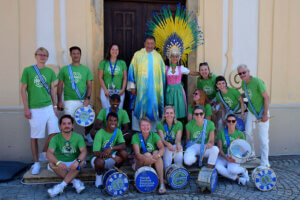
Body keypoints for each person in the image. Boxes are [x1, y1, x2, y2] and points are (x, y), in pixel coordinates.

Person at [20, 47, 60, 175]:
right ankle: (36, 163)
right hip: (34, 108)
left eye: (45, 55)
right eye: (40, 54)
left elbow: (52, 90)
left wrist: (55, 107)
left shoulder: (50, 71)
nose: (42, 57)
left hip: (48, 106)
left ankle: (45, 154)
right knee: (34, 136)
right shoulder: (28, 70)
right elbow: (23, 90)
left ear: (47, 57)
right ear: (35, 56)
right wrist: (26, 108)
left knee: (55, 131)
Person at [127, 35, 165, 131]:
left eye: (152, 43)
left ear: (155, 44)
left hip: (154, 91)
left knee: (153, 107)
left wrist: (162, 89)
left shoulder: (158, 57)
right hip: (140, 90)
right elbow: (131, 70)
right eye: (148, 43)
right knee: (140, 107)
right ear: (144, 44)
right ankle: (138, 130)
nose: (150, 45)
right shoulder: (138, 55)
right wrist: (132, 86)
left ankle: (153, 130)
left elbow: (162, 74)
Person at [57, 46, 93, 142]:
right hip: (69, 100)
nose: (76, 55)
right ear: (70, 55)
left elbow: (89, 85)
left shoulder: (86, 69)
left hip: (83, 100)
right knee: (68, 123)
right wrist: (59, 100)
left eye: (77, 53)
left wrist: (88, 98)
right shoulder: (65, 69)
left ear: (80, 55)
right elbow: (60, 86)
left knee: (91, 118)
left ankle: (86, 134)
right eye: (74, 53)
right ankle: (70, 142)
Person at [237, 64, 270, 167]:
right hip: (251, 112)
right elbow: (248, 94)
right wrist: (241, 96)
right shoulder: (243, 84)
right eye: (240, 73)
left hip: (261, 112)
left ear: (248, 71)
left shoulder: (257, 82)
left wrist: (265, 114)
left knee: (263, 139)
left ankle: (265, 162)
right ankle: (251, 154)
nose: (242, 75)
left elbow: (266, 97)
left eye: (244, 72)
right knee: (248, 133)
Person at [46, 115, 87, 197]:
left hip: (74, 164)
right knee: (51, 164)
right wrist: (58, 163)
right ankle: (75, 182)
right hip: (60, 165)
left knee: (82, 162)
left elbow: (84, 151)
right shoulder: (55, 138)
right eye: (64, 124)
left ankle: (60, 186)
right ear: (60, 126)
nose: (66, 126)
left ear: (72, 126)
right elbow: (49, 153)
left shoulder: (78, 137)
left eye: (69, 123)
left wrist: (77, 161)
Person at [91, 112, 128, 188]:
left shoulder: (118, 131)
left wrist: (111, 148)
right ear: (106, 122)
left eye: (115, 121)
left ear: (117, 122)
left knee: (124, 153)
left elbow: (123, 145)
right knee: (99, 161)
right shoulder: (100, 133)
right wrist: (112, 156)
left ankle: (114, 170)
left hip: (110, 159)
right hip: (98, 160)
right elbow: (96, 153)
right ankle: (98, 176)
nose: (113, 123)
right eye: (110, 120)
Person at [131, 117, 166, 194]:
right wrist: (147, 159)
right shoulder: (135, 136)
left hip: (153, 162)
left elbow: (162, 149)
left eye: (147, 125)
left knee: (157, 153)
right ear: (140, 127)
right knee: (147, 154)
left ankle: (161, 183)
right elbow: (137, 154)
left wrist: (157, 155)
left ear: (150, 126)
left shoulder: (154, 135)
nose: (145, 127)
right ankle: (149, 181)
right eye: (143, 125)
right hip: (139, 164)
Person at [215, 114, 249, 185]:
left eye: (233, 121)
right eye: (229, 121)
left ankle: (243, 170)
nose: (231, 123)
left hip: (235, 156)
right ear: (226, 122)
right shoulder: (221, 132)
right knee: (217, 167)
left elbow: (244, 151)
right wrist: (226, 158)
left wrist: (237, 143)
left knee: (232, 170)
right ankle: (238, 178)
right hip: (223, 155)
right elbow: (220, 149)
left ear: (236, 122)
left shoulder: (240, 134)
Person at [165, 53, 200, 119]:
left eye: (176, 57)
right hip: (169, 91)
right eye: (173, 56)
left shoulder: (181, 68)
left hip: (179, 91)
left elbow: (192, 73)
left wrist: (202, 73)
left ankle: (179, 123)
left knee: (179, 106)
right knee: (170, 107)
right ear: (169, 57)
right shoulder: (165, 68)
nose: (175, 58)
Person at [98, 44, 127, 109]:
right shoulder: (103, 63)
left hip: (119, 91)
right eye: (113, 49)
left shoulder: (122, 63)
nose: (115, 51)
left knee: (117, 110)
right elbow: (100, 77)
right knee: (106, 110)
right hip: (106, 90)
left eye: (117, 49)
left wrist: (123, 89)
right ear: (109, 51)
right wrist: (105, 90)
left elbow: (125, 77)